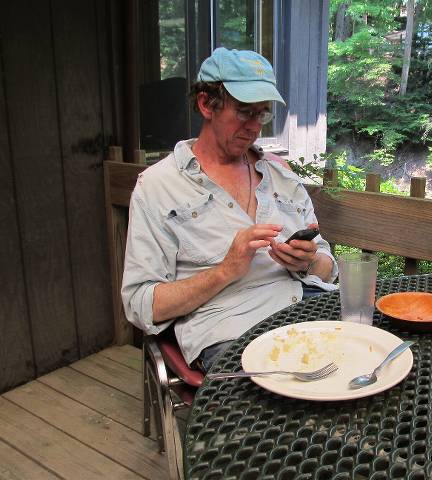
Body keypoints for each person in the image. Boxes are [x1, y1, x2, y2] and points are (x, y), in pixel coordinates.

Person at [121, 47, 338, 372]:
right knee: (284, 402)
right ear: (206, 104)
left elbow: (327, 267)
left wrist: (307, 262)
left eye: (262, 114)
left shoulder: (281, 177)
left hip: (308, 308)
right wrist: (225, 270)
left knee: (378, 363)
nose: (255, 127)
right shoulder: (158, 187)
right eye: (244, 111)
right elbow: (140, 305)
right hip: (233, 330)